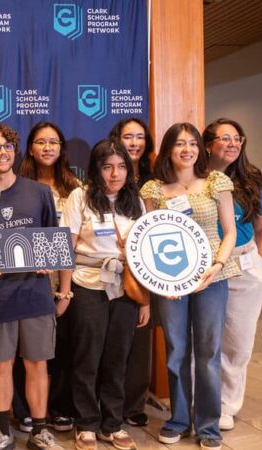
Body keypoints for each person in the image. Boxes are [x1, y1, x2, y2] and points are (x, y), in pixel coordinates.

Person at [0, 123, 69, 450]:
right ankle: (3, 432)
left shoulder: (38, 192)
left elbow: (55, 240)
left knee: (37, 364)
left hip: (35, 293)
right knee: (2, 364)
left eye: (7, 145)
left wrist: (49, 264)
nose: (2, 151)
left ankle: (39, 431)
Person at [141, 122, 238, 450]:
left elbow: (229, 232)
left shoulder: (215, 182)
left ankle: (208, 425)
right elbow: (149, 238)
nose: (187, 149)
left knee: (209, 352)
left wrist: (217, 266)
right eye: (179, 144)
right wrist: (159, 278)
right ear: (168, 149)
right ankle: (179, 419)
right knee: (176, 349)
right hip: (170, 282)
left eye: (192, 143)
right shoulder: (154, 189)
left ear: (201, 148)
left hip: (212, 278)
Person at [57, 138, 148, 450]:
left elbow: (143, 252)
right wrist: (65, 290)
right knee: (87, 357)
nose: (115, 174)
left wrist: (144, 300)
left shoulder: (134, 201)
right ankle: (86, 424)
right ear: (96, 169)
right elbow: (65, 247)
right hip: (87, 283)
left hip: (124, 286)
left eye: (121, 167)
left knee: (117, 357)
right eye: (108, 167)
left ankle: (113, 424)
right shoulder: (79, 197)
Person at [203, 118, 262, 431]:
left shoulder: (252, 180)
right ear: (208, 144)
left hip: (244, 267)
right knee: (204, 340)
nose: (233, 144)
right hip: (206, 268)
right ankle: (201, 401)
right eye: (225, 138)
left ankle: (227, 406)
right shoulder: (195, 180)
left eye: (237, 139)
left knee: (238, 342)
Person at [17, 121, 80, 433]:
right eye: (41, 142)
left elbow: (73, 236)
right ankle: (25, 409)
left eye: (53, 142)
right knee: (25, 349)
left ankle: (57, 407)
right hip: (28, 276)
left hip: (64, 276)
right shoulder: (18, 184)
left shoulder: (74, 187)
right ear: (30, 147)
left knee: (61, 347)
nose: (47, 148)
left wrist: (65, 290)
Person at [109, 117, 156, 428]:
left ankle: (135, 401)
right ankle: (109, 401)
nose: (134, 143)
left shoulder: (154, 180)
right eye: (128, 137)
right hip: (112, 267)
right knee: (113, 340)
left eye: (140, 137)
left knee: (141, 337)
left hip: (148, 265)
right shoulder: (105, 177)